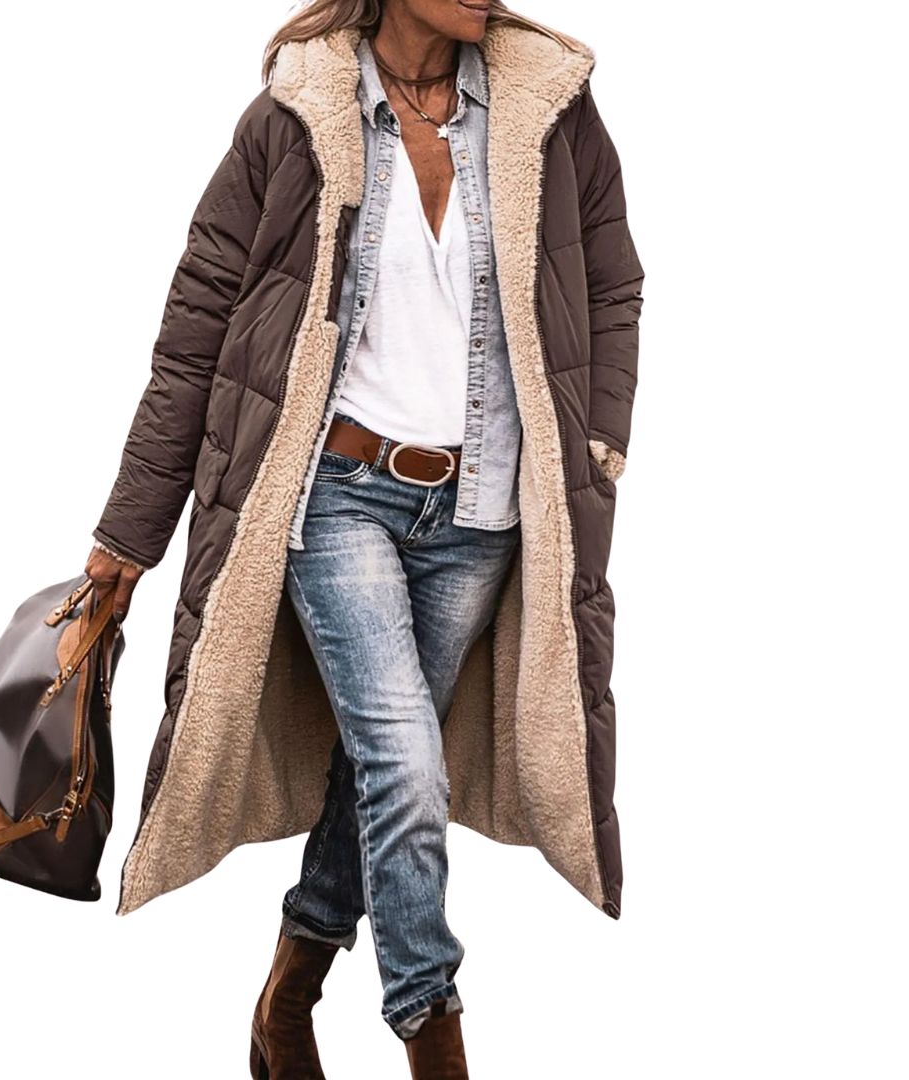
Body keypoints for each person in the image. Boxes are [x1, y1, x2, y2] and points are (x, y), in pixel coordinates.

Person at [86, 2, 644, 1076]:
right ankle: (435, 1034)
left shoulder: (548, 107)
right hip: (336, 495)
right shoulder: (296, 115)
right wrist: (129, 529)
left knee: (385, 769)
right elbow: (197, 326)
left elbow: (614, 283)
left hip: (480, 506)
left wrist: (598, 440)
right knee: (406, 764)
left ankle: (288, 992)